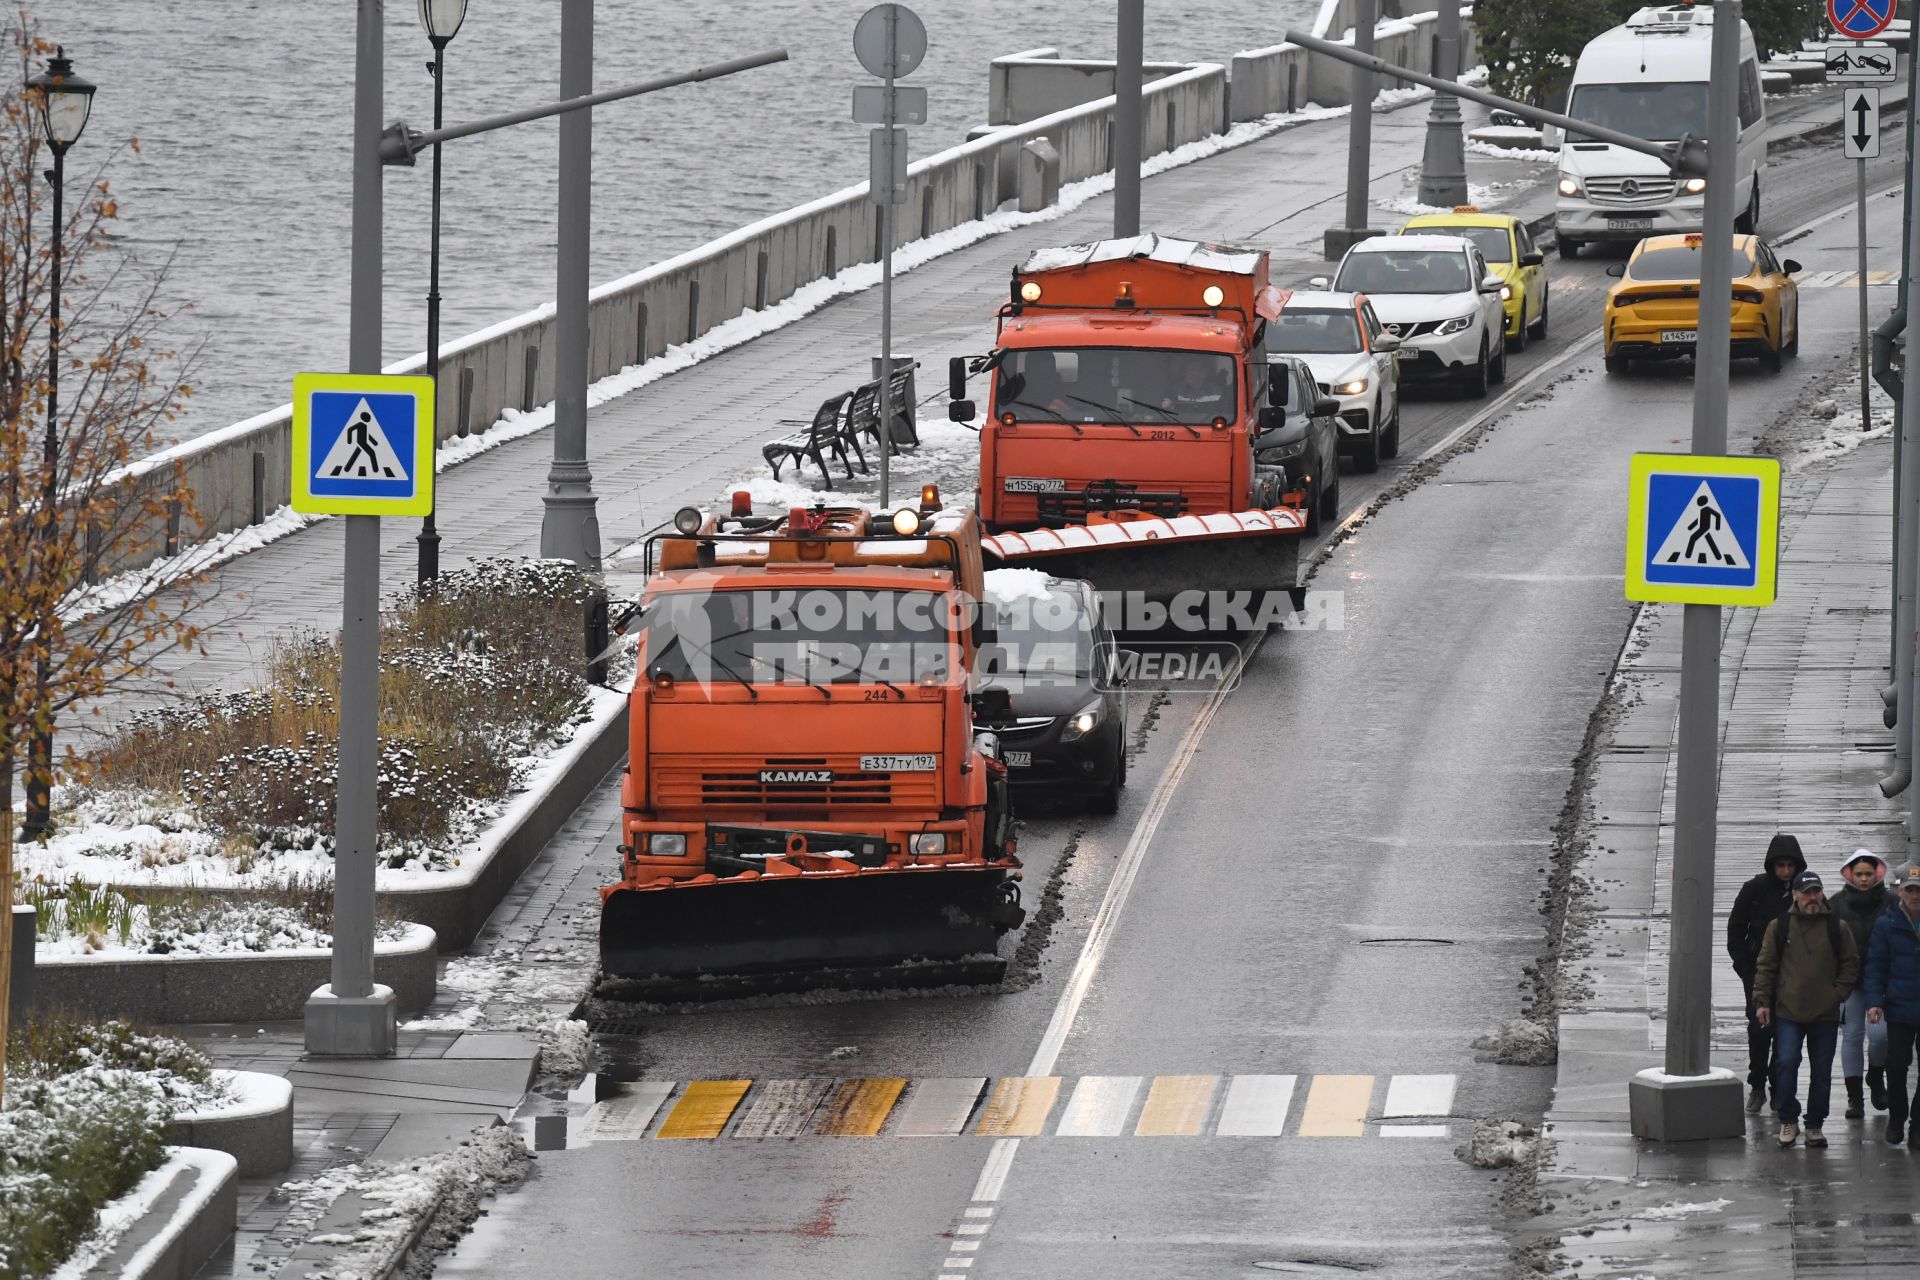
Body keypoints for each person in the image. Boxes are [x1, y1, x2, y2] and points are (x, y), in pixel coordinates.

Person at [1754, 870, 1859, 1148]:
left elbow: (1851, 964)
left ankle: (1815, 1124)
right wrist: (1762, 1001)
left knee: (1822, 1072)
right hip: (1788, 1011)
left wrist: (1837, 994)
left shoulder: (1838, 927)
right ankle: (1788, 1120)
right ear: (1796, 895)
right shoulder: (1780, 926)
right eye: (1807, 892)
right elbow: (1766, 965)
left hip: (1825, 1013)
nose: (1812, 897)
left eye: (1817, 891)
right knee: (1786, 1064)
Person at [1727, 834, 1807, 1112]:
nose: (1785, 871)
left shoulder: (1804, 892)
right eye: (1780, 865)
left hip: (1792, 978)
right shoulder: (1754, 890)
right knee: (1760, 1032)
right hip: (1758, 975)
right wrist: (1746, 970)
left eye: (1790, 865)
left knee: (1785, 1034)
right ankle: (1757, 1085)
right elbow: (1735, 930)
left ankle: (1776, 1086)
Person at [1832, 849, 1892, 1117]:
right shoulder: (1836, 904)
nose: (1864, 879)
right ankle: (1854, 1097)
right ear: (1850, 875)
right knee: (1852, 1036)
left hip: (1882, 982)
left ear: (1877, 873)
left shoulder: (1891, 902)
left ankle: (1876, 1075)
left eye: (1869, 873)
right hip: (1850, 982)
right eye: (1859, 874)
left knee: (1880, 1036)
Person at [1865, 863, 1920, 1145]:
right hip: (1899, 1008)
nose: (1915, 895)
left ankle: (1918, 1125)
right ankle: (1898, 1116)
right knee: (1896, 1066)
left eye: (1919, 890)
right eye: (1910, 890)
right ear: (1900, 891)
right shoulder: (1887, 925)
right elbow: (1875, 966)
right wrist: (1875, 1001)